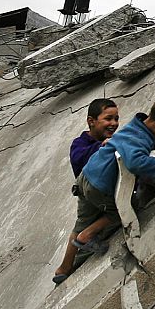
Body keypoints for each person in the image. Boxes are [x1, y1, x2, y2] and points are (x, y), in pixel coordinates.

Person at [52, 94, 155, 285]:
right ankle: (89, 234)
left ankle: (63, 269)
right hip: (99, 187)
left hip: (85, 180)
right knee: (124, 211)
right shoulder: (139, 139)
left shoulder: (140, 126)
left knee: (80, 222)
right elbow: (135, 163)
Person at [50, 99, 120, 283]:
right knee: (118, 212)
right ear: (91, 121)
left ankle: (65, 268)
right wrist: (101, 147)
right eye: (108, 118)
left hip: (99, 192)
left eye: (116, 118)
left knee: (81, 224)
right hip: (90, 191)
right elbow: (80, 160)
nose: (113, 123)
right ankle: (81, 247)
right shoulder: (80, 143)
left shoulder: (111, 142)